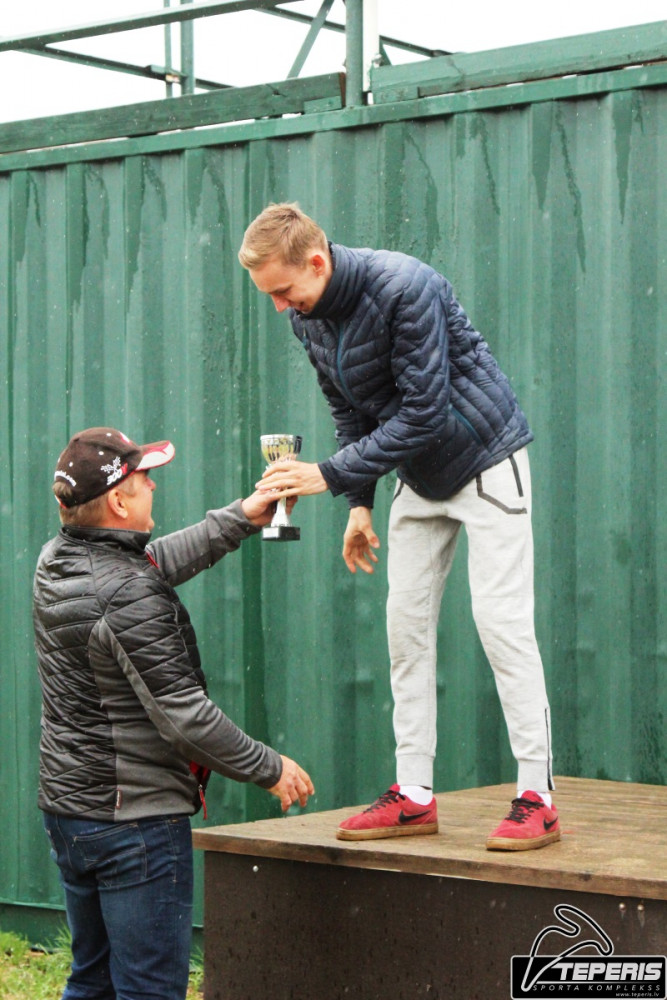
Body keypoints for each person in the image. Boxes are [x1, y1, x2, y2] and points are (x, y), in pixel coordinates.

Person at [238, 202, 559, 851]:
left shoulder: (405, 287)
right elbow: (348, 411)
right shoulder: (307, 317)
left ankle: (538, 798)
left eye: (283, 290)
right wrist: (358, 504)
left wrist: (326, 476)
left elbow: (424, 413)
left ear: (317, 262)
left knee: (501, 625)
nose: (278, 307)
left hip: (486, 459)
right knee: (404, 629)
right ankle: (414, 795)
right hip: (418, 474)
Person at [33, 426, 314, 1000]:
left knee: (92, 981)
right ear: (119, 501)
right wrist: (270, 767)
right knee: (150, 991)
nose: (154, 486)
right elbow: (186, 717)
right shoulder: (125, 590)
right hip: (133, 825)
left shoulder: (59, 559)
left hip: (71, 813)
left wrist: (241, 516)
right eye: (145, 478)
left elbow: (148, 566)